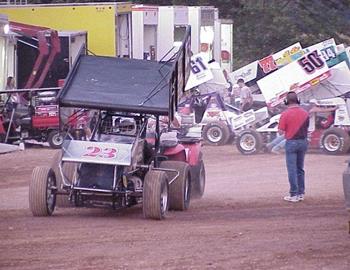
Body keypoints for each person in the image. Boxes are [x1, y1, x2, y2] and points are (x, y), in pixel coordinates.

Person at [278, 91, 309, 203]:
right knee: (300, 168)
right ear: (298, 100)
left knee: (292, 169)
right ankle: (301, 193)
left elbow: (281, 132)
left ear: (286, 101)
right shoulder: (305, 113)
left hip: (291, 143)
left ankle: (293, 194)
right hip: (303, 142)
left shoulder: (285, 114)